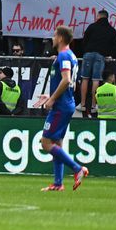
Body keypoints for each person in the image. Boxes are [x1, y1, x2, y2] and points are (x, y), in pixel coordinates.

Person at [33, 25, 89, 192]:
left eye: (54, 35)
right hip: (65, 103)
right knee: (56, 143)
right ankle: (58, 183)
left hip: (61, 105)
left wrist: (52, 99)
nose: (52, 38)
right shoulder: (69, 55)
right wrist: (48, 95)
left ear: (60, 38)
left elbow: (66, 80)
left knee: (46, 142)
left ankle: (77, 168)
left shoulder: (64, 55)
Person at [79, 10, 116, 119]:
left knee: (85, 78)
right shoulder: (111, 30)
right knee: (96, 80)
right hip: (101, 56)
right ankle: (94, 106)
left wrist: (85, 51)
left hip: (88, 54)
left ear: (98, 16)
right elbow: (114, 45)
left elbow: (84, 40)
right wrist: (109, 54)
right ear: (107, 17)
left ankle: (82, 104)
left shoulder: (92, 27)